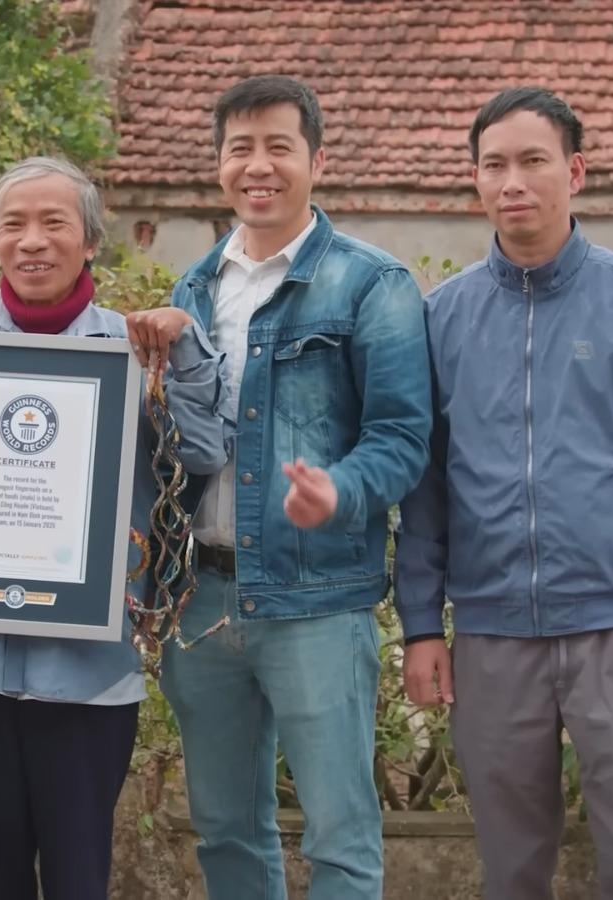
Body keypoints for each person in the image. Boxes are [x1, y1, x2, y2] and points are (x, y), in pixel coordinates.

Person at [0, 156, 229, 900]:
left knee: (76, 874)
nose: (32, 241)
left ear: (90, 241)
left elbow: (201, 455)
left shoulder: (136, 352)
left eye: (53, 223)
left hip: (87, 668)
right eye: (13, 225)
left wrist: (183, 349)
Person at [395, 86, 613, 900]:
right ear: (475, 181)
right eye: (494, 165)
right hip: (493, 638)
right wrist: (423, 625)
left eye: (534, 161)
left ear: (574, 171)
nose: (514, 182)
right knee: (510, 870)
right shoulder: (442, 318)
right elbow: (426, 486)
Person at [160, 75, 433, 899]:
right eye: (240, 147)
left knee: (341, 835)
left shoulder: (370, 283)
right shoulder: (193, 291)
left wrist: (339, 492)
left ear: (316, 158)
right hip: (202, 601)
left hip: (317, 597)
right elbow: (180, 447)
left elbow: (401, 437)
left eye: (279, 145)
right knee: (226, 832)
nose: (259, 165)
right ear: (218, 164)